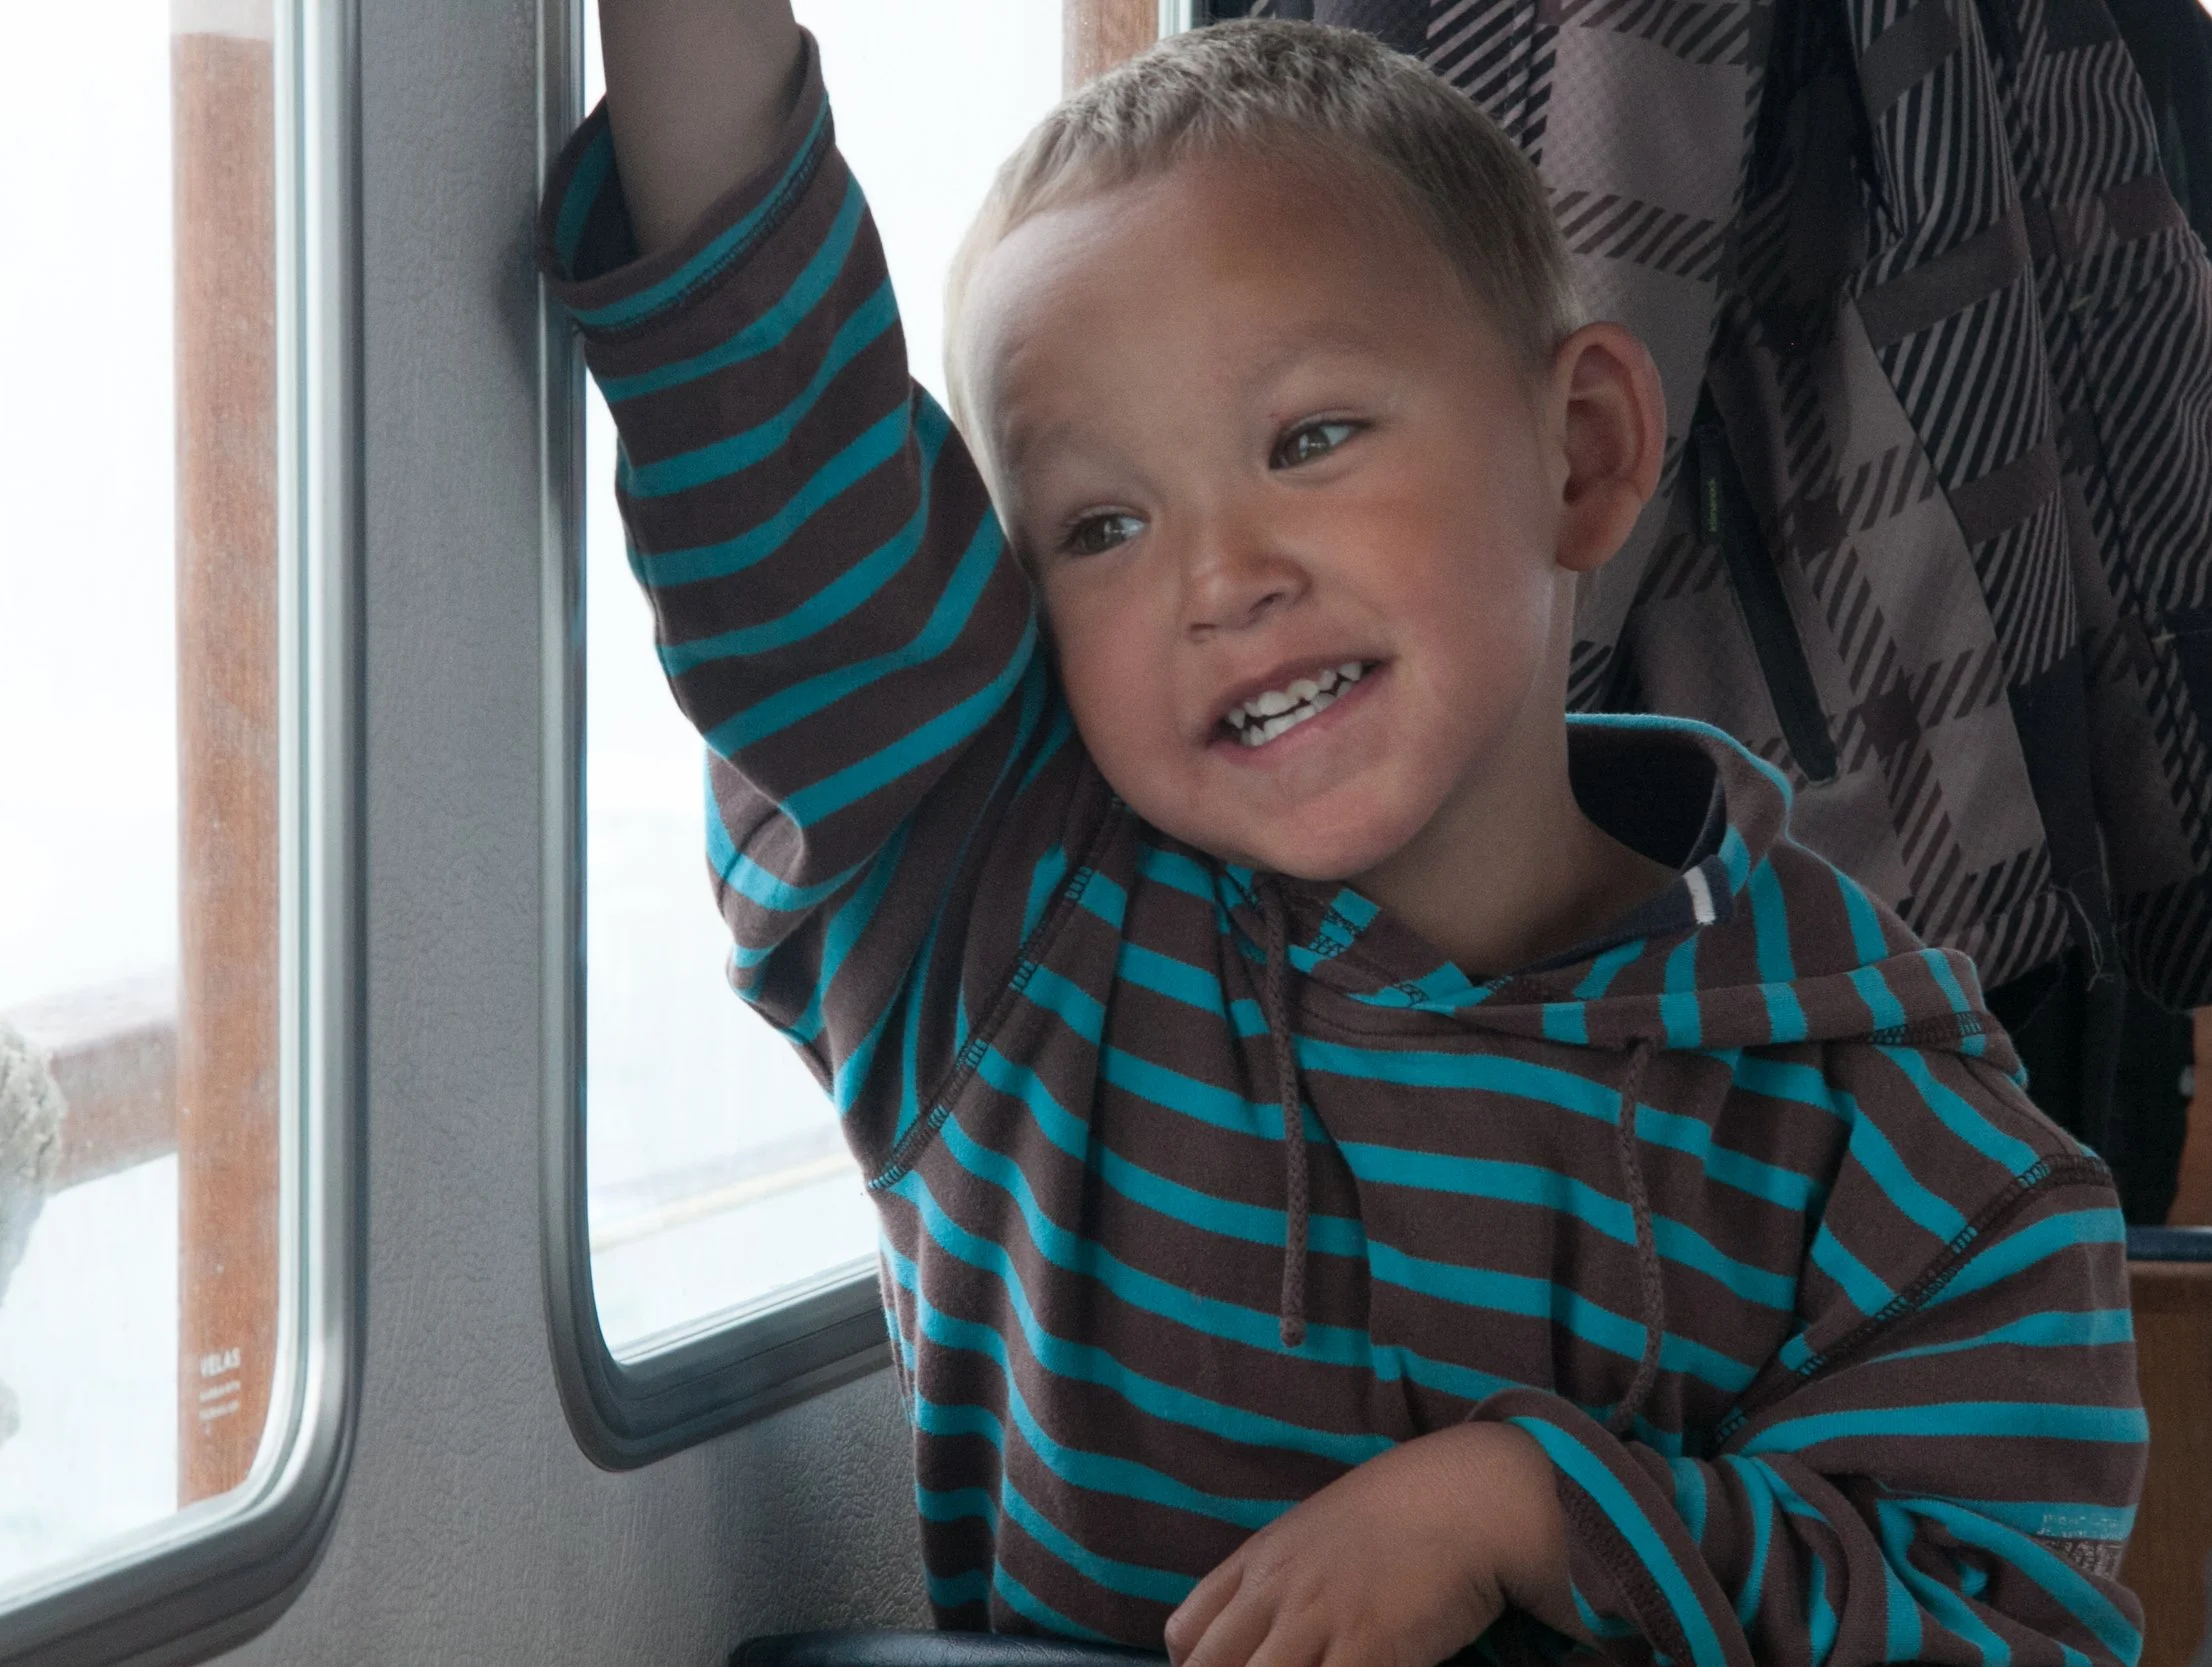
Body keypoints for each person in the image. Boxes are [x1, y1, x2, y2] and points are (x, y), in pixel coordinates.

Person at [547, 10, 2146, 1665]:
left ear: (1580, 451)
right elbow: (764, 384)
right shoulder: (1001, 929)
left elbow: (2008, 1622)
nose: (1222, 574)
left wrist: (1532, 1509)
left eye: (1309, 440)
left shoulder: (1916, 1144)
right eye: (1101, 527)